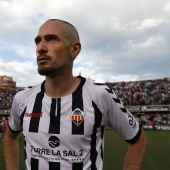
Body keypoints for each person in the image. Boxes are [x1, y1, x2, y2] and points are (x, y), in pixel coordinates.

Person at [3, 19, 148, 170]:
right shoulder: (23, 98)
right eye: (38, 41)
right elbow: (9, 136)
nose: (41, 48)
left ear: (74, 49)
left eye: (51, 39)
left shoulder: (99, 96)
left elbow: (139, 140)